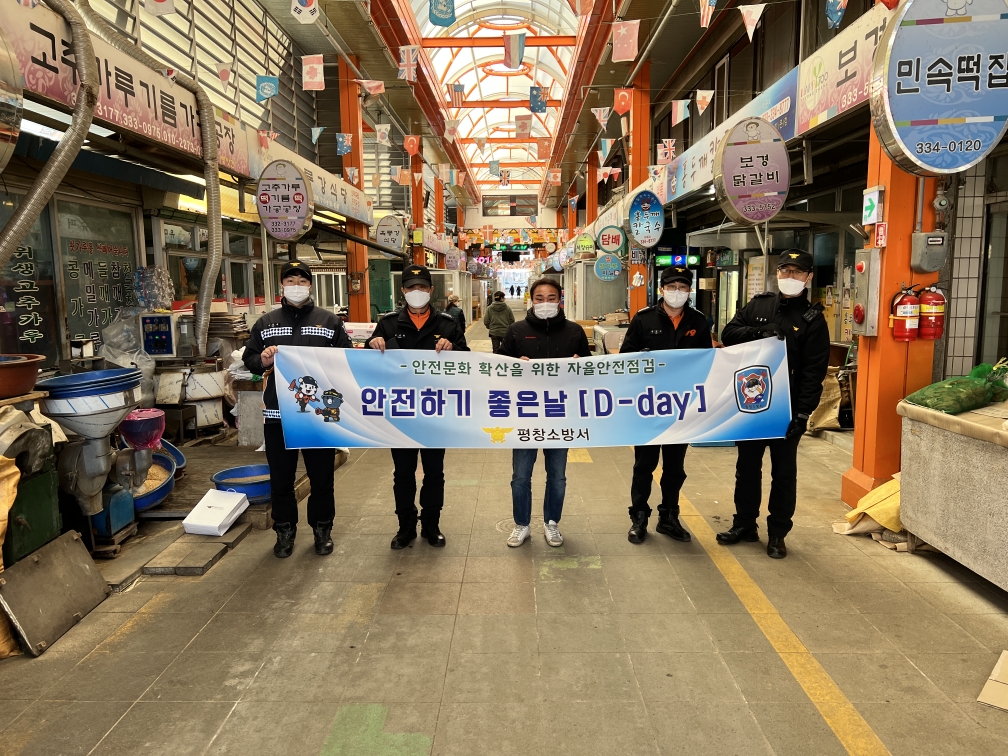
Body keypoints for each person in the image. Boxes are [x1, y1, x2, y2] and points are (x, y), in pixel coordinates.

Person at [717, 249, 830, 559]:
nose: (789, 276)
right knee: (746, 469)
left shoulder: (812, 320)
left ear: (808, 277)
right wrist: (757, 331)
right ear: (777, 273)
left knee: (783, 474)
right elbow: (729, 334)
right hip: (751, 406)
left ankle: (778, 533)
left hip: (786, 411)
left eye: (797, 272)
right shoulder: (759, 305)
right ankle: (744, 524)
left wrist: (803, 413)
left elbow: (813, 372)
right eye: (785, 270)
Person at [243, 260, 352, 558]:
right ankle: (284, 531)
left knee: (322, 478)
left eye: (302, 281)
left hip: (317, 415)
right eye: (290, 280)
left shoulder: (329, 322)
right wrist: (263, 360)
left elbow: (347, 358)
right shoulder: (266, 323)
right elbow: (250, 360)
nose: (296, 286)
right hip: (278, 414)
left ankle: (322, 529)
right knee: (281, 479)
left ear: (310, 285)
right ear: (282, 285)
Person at [365, 265, 469, 550]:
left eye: (422, 287)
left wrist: (454, 349)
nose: (417, 292)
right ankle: (406, 526)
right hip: (401, 412)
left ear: (431, 290)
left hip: (435, 412)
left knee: (434, 472)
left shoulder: (447, 324)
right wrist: (371, 344)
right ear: (403, 291)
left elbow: (467, 362)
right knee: (403, 473)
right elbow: (367, 363)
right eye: (411, 287)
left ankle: (432, 524)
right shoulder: (388, 324)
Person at [620, 265, 713, 544]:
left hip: (681, 407)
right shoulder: (643, 319)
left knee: (675, 468)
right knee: (644, 465)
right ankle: (639, 517)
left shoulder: (698, 321)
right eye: (672, 287)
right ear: (662, 289)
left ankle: (669, 517)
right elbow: (624, 359)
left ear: (689, 291)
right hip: (648, 406)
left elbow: (707, 362)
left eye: (682, 287)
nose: (677, 292)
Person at [499, 277, 590, 548]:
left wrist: (580, 365)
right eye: (539, 298)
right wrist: (515, 365)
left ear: (560, 300)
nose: (545, 303)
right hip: (525, 415)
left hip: (560, 415)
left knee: (557, 476)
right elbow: (497, 369)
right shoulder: (516, 331)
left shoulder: (574, 332)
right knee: (520, 476)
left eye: (551, 298)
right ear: (531, 300)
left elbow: (590, 372)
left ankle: (552, 523)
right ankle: (521, 524)